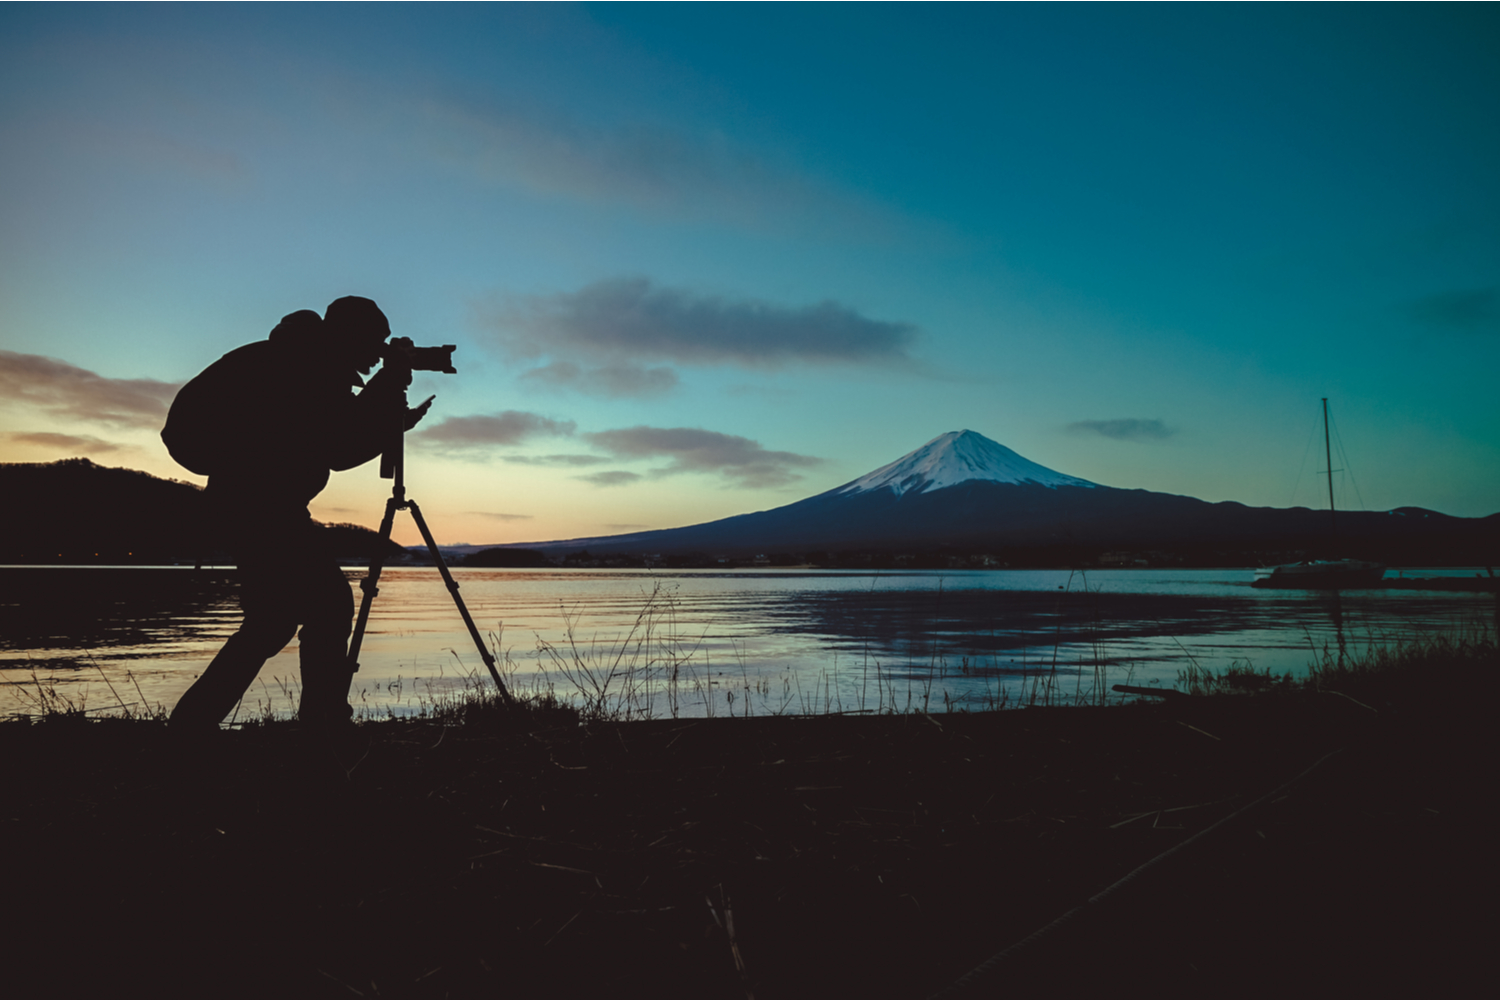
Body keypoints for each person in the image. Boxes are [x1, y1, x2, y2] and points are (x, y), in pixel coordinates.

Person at [165, 296, 428, 731]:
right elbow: (340, 447)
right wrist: (386, 390)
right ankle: (322, 725)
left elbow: (331, 438)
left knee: (272, 621)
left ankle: (192, 725)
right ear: (352, 336)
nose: (376, 355)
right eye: (375, 344)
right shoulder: (308, 365)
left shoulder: (299, 355)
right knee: (328, 604)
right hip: (261, 506)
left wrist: (387, 415)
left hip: (250, 503)